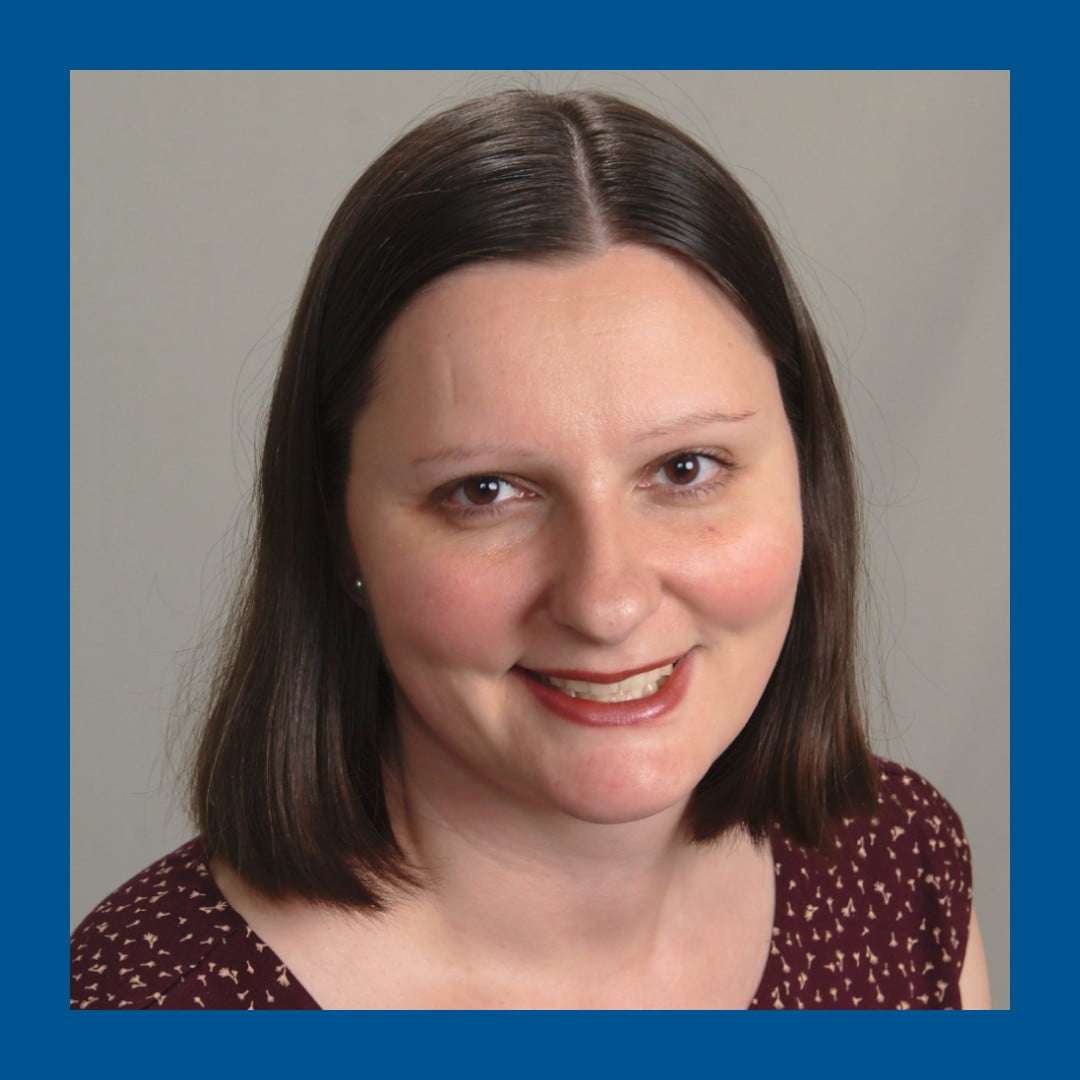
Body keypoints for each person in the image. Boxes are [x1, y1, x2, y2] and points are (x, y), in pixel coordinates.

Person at [70, 88, 991, 1010]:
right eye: (486, 491)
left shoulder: (896, 867)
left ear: (806, 478)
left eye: (684, 469)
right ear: (336, 525)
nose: (605, 601)